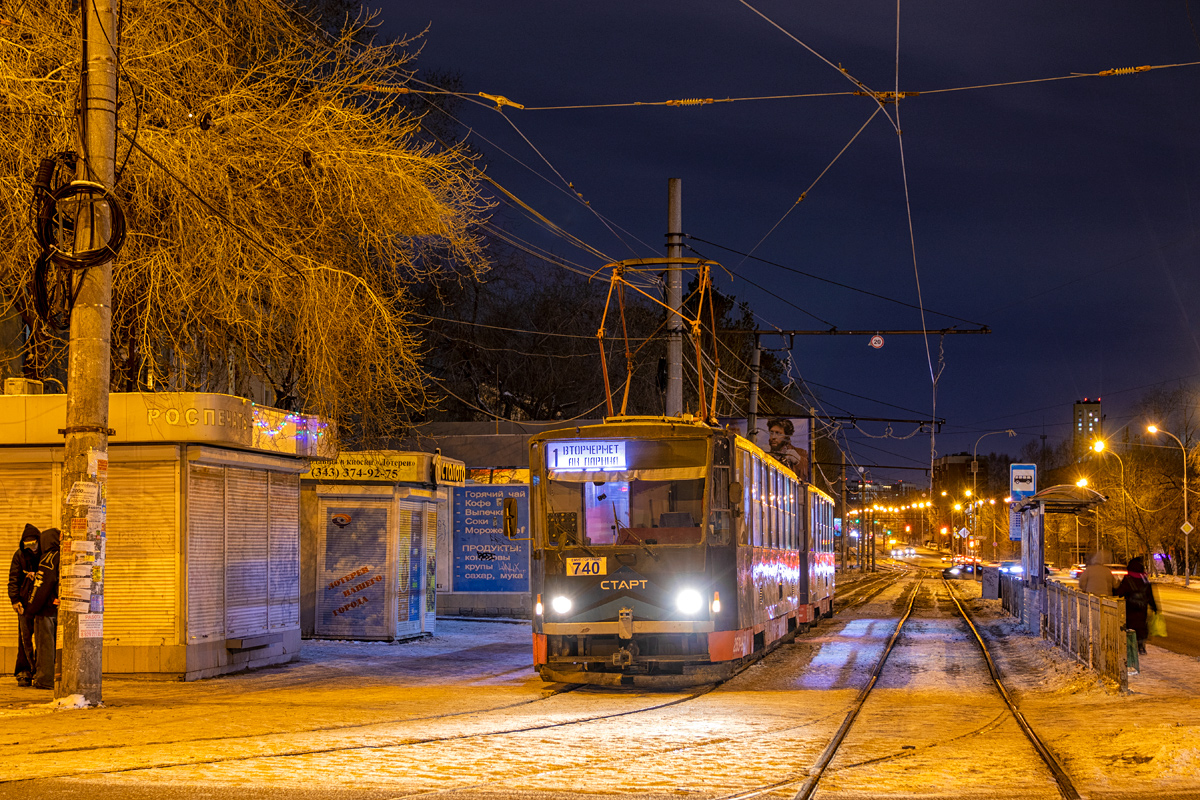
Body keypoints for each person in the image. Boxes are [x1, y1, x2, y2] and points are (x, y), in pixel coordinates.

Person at [20, 527, 60, 690]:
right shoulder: (62, 556)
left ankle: (45, 680)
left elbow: (40, 586)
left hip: (45, 611)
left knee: (45, 647)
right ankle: (59, 678)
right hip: (58, 609)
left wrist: (31, 608)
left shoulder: (48, 559)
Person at [6, 524, 41, 687]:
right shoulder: (19, 556)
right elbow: (14, 579)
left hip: (42, 602)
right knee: (24, 639)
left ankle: (41, 670)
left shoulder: (46, 555)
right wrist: (15, 600)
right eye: (28, 545)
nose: (32, 548)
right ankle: (24, 671)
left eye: (34, 544)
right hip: (25, 603)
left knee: (44, 639)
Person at [1115, 556, 1157, 656]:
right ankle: (1141, 645)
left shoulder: (1128, 579)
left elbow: (1120, 592)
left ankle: (1130, 648)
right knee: (1141, 626)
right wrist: (1154, 607)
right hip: (1142, 608)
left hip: (1130, 608)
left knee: (1130, 627)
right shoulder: (1145, 580)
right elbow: (1150, 594)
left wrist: (1114, 590)